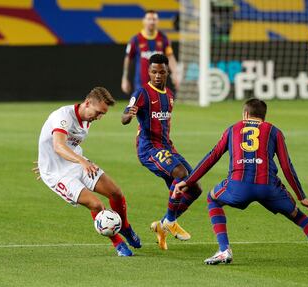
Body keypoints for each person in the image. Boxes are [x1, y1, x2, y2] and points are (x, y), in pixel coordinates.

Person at [174, 99, 308, 266]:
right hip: (269, 188)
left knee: (213, 198)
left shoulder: (233, 129)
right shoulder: (274, 131)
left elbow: (212, 156)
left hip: (238, 187)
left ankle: (224, 250)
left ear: (245, 114)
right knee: (298, 217)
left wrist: (189, 181)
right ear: (264, 116)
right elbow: (286, 166)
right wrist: (302, 196)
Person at [36, 87, 141, 256]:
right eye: (98, 112)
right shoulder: (63, 116)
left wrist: (47, 158)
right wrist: (49, 164)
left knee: (116, 193)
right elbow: (58, 145)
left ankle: (125, 228)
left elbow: (64, 145)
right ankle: (117, 243)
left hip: (75, 163)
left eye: (103, 114)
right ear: (87, 103)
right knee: (96, 204)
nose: (99, 117)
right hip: (58, 174)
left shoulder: (87, 120)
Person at [121, 54, 202, 250]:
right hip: (149, 148)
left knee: (195, 188)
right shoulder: (142, 93)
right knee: (181, 174)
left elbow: (166, 122)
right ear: (148, 72)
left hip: (166, 147)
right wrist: (129, 116)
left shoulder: (170, 95)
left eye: (162, 72)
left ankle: (162, 225)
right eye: (154, 72)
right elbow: (124, 117)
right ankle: (171, 222)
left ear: (167, 72)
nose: (158, 75)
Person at [121, 10, 179, 95]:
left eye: (154, 19)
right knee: (142, 106)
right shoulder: (136, 39)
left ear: (158, 21)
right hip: (140, 83)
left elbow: (170, 56)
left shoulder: (163, 39)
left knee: (159, 107)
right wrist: (124, 78)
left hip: (159, 82)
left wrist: (175, 74)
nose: (152, 22)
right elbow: (128, 59)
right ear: (144, 21)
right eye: (149, 19)